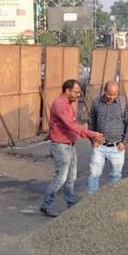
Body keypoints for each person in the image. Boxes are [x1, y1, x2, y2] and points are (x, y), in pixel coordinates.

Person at [41, 79, 104, 216]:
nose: (78, 95)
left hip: (69, 145)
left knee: (71, 178)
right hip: (60, 147)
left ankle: (70, 202)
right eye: (76, 92)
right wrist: (92, 134)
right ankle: (46, 205)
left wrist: (89, 136)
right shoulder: (60, 105)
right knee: (60, 178)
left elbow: (73, 127)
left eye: (79, 92)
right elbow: (71, 125)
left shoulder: (68, 104)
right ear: (67, 91)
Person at [88, 81, 128, 194]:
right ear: (104, 91)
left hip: (117, 147)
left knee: (116, 176)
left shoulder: (123, 103)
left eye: (114, 94)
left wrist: (124, 142)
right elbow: (91, 122)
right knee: (94, 174)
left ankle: (112, 199)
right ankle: (90, 200)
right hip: (99, 147)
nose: (111, 97)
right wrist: (93, 139)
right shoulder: (97, 102)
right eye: (109, 94)